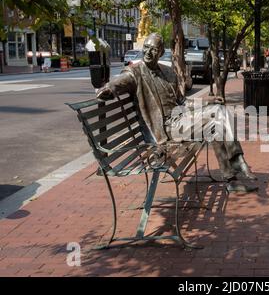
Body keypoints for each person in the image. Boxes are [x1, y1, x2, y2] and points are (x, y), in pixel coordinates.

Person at [96, 33, 258, 192]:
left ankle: (231, 179)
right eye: (146, 47)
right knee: (217, 116)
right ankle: (237, 161)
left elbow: (182, 102)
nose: (148, 52)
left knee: (217, 117)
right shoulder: (135, 72)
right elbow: (121, 80)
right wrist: (109, 89)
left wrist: (207, 102)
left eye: (153, 49)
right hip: (165, 130)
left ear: (160, 52)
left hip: (180, 120)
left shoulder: (168, 72)